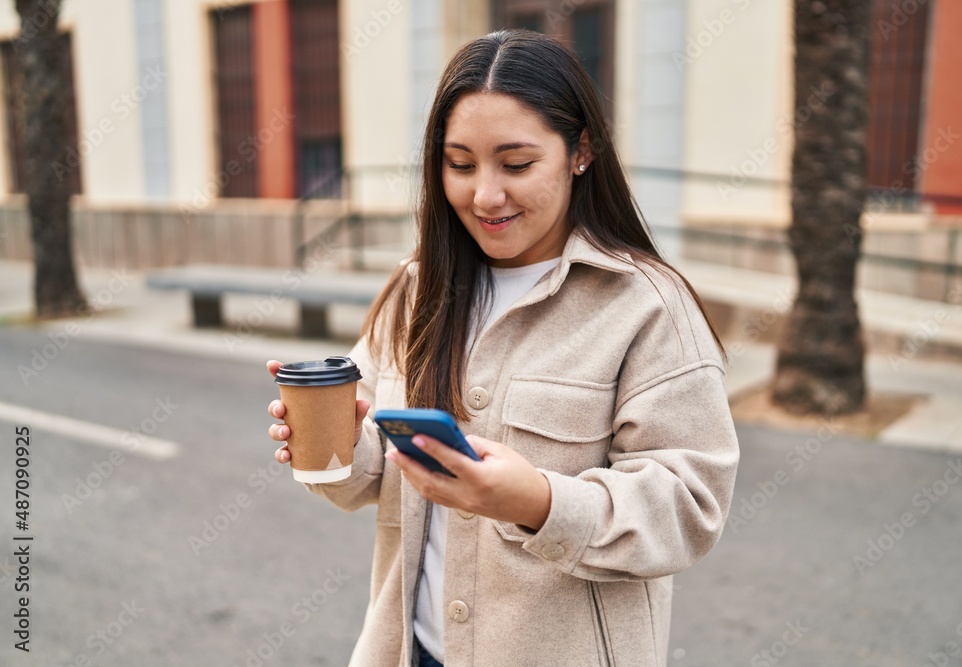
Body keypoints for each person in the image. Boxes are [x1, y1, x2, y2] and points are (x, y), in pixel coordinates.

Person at [267, 29, 739, 667]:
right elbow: (371, 478)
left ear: (581, 152)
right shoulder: (418, 289)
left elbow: (689, 507)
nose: (485, 195)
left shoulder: (647, 306)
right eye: (460, 164)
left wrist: (538, 502)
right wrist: (337, 445)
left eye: (516, 164)